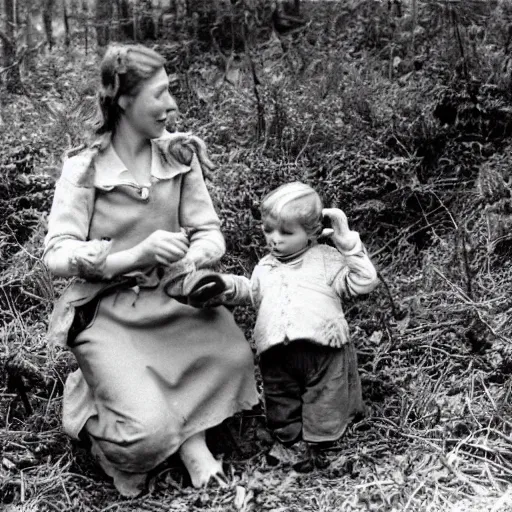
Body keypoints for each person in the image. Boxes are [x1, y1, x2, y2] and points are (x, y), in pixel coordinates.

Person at [43, 43, 259, 497]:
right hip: (107, 310)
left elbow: (210, 234)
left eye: (171, 92)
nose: (172, 105)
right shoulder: (83, 167)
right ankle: (90, 407)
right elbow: (57, 255)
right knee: (141, 439)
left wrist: (190, 259)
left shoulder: (178, 156)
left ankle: (182, 436)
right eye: (159, 94)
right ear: (123, 99)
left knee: (237, 360)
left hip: (172, 296)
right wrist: (133, 255)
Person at [197, 182, 379, 472]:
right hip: (276, 353)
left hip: (323, 350)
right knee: (280, 400)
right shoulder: (265, 266)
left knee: (326, 399)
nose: (275, 239)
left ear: (311, 233)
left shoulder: (326, 259)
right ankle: (290, 445)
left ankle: (322, 448)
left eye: (286, 232)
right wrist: (227, 286)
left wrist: (348, 245)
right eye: (269, 230)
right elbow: (253, 292)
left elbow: (365, 281)